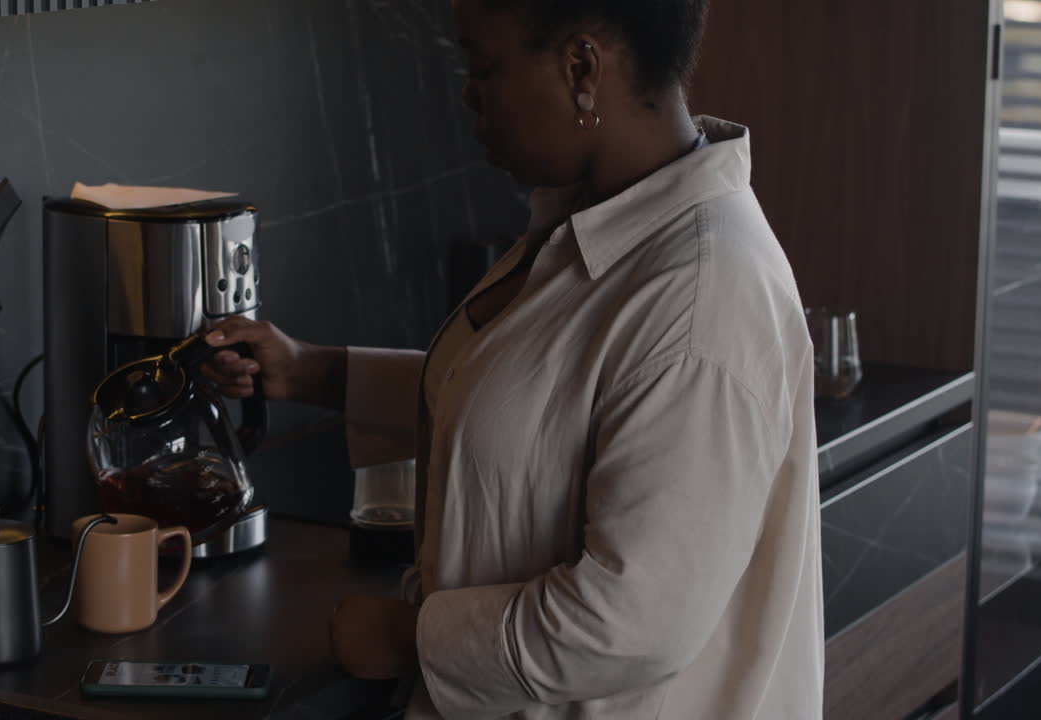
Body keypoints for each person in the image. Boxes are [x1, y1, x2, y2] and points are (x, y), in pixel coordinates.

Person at [202, 0, 823, 717]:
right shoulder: (605, 222)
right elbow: (543, 410)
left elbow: (630, 625)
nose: (469, 92)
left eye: (485, 67)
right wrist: (313, 371)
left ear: (582, 66)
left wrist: (411, 639)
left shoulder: (699, 296)